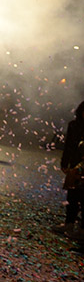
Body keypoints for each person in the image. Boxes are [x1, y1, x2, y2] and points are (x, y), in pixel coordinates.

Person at [55, 100, 84, 238]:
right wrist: (65, 162)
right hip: (75, 165)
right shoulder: (74, 125)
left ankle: (80, 229)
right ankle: (69, 224)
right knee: (72, 195)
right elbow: (69, 145)